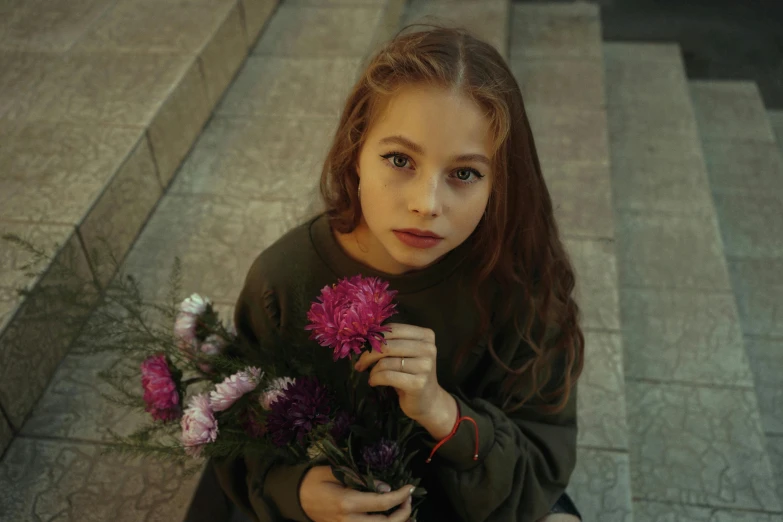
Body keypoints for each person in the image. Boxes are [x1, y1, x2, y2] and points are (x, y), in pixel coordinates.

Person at [213, 25, 585, 522]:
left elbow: (541, 461)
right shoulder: (282, 282)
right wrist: (301, 492)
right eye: (399, 159)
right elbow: (239, 440)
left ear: (499, 183)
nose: (426, 205)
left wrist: (443, 413)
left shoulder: (519, 284)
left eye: (465, 173)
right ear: (356, 153)